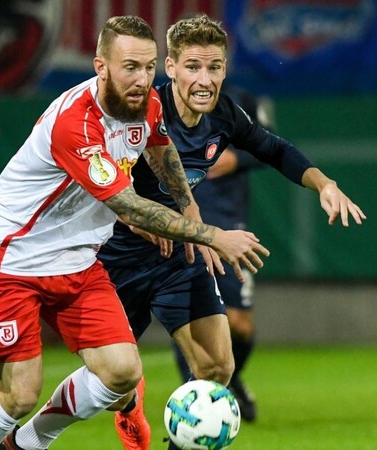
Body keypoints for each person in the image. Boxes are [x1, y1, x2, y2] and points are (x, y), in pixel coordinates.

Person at [0, 16, 268, 450]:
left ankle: (26, 444)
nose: (141, 80)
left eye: (149, 67)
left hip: (78, 258)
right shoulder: (76, 125)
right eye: (129, 67)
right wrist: (208, 233)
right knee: (17, 395)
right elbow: (127, 205)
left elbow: (159, 147)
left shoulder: (147, 107)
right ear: (101, 66)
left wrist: (187, 201)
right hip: (12, 258)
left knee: (121, 371)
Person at [100, 15, 365, 450]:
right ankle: (121, 406)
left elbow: (274, 148)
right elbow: (105, 180)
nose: (204, 80)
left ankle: (180, 443)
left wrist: (324, 183)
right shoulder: (141, 109)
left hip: (180, 259)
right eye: (193, 67)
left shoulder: (224, 114)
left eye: (215, 67)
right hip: (119, 259)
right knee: (112, 380)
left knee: (218, 367)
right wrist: (142, 221)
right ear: (170, 67)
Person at [170, 85, 268, 423]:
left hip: (228, 223)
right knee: (187, 315)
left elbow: (269, 147)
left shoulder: (241, 101)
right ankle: (196, 401)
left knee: (240, 324)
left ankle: (232, 378)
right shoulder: (160, 102)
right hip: (179, 223)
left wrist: (237, 158)